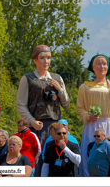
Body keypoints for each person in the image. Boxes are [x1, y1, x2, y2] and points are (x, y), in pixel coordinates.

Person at [16, 44, 70, 176]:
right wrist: (32, 121)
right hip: (37, 126)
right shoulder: (27, 79)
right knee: (38, 160)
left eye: (49, 58)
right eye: (42, 58)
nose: (46, 61)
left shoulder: (57, 78)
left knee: (57, 158)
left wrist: (60, 90)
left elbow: (67, 105)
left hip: (56, 127)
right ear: (35, 60)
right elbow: (20, 104)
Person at [77, 54, 110, 176]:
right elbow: (80, 108)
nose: (101, 66)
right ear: (93, 67)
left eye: (104, 63)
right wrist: (88, 116)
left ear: (108, 67)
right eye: (98, 63)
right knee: (90, 156)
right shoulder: (85, 87)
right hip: (92, 125)